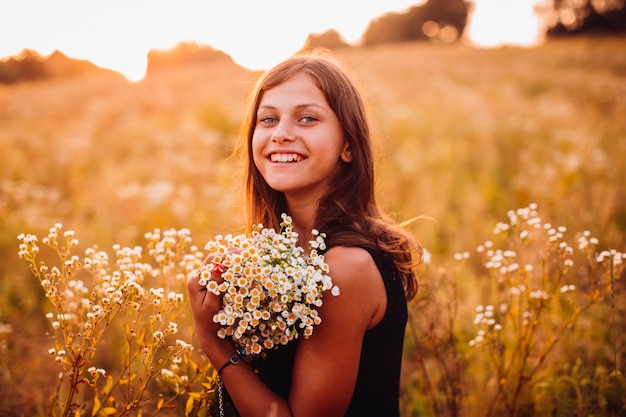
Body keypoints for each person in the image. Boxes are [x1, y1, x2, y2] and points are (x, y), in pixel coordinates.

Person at [187, 49, 422, 417]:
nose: (281, 134)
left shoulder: (344, 269)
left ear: (348, 145)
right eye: (268, 120)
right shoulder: (275, 255)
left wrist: (214, 342)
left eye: (307, 118)